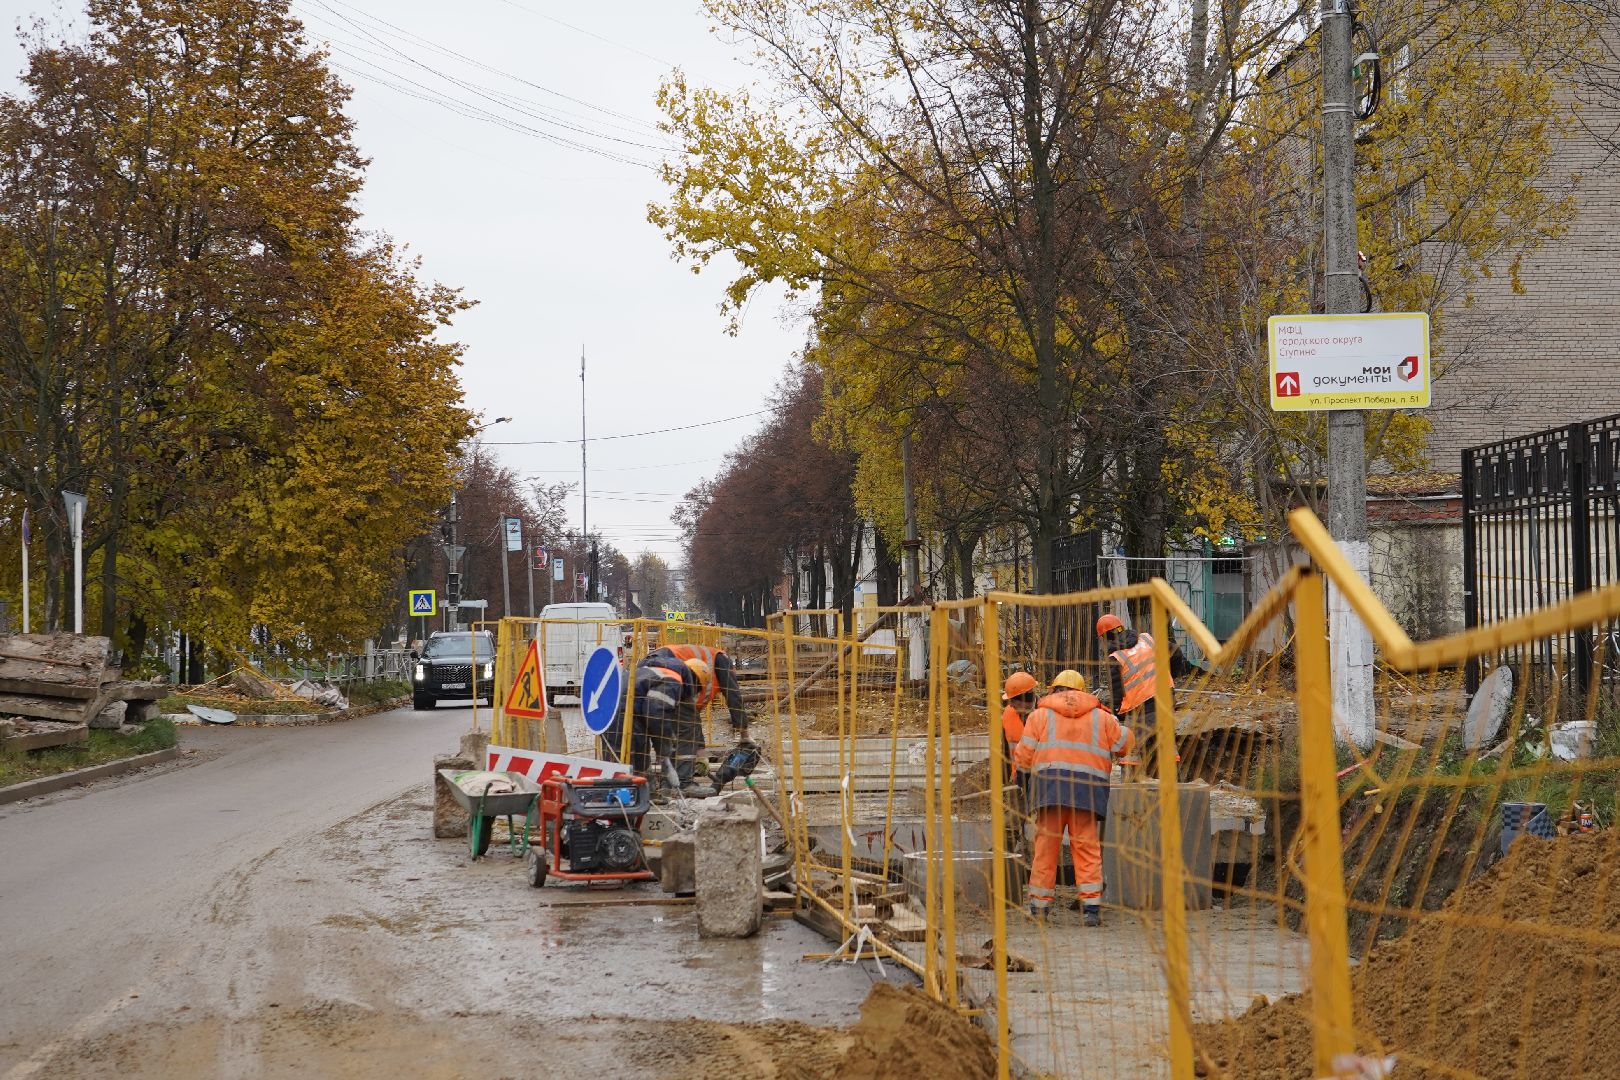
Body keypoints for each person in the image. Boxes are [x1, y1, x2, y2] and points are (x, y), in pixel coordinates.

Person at [1014, 669, 1132, 927]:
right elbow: (1123, 745)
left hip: (1049, 790)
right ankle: (1091, 909)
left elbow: (1023, 756)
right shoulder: (1102, 717)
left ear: (1054, 689)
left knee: (1045, 850)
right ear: (1082, 691)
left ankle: (1039, 909)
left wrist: (1022, 782)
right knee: (1087, 849)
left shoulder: (1038, 716)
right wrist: (1123, 722)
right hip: (1086, 791)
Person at [604, 654, 712, 790]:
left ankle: (646, 794)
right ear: (695, 683)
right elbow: (655, 713)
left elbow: (652, 713)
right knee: (625, 765)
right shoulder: (673, 680)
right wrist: (664, 747)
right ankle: (625, 800)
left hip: (614, 712)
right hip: (623, 713)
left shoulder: (655, 671)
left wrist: (663, 743)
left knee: (637, 759)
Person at [644, 643, 751, 740]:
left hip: (653, 661)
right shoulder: (721, 660)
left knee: (648, 715)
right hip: (666, 659)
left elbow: (691, 715)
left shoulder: (701, 677)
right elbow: (733, 695)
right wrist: (744, 734)